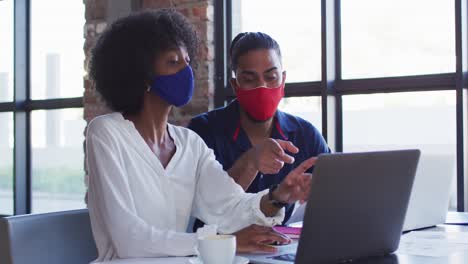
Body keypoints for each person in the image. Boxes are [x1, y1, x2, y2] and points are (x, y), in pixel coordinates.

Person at [85, 9, 316, 262]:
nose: (187, 71)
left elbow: (229, 209)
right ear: (142, 74)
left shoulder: (189, 143)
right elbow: (129, 241)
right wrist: (222, 242)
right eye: (173, 62)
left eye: (187, 62)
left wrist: (278, 195)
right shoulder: (106, 132)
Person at [188, 32, 330, 230]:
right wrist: (250, 162)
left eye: (271, 77)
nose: (262, 87)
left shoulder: (305, 134)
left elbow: (335, 195)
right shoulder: (203, 131)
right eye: (250, 79)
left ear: (283, 80)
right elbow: (205, 209)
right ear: (235, 85)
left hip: (282, 249)